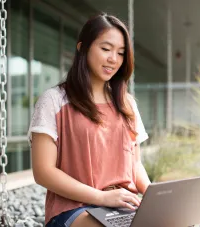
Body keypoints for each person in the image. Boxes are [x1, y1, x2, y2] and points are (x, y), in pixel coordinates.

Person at [27, 13, 151, 227]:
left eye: (121, 53)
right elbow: (43, 172)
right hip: (74, 210)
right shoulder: (54, 101)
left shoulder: (127, 104)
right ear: (82, 48)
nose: (113, 59)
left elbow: (136, 164)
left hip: (123, 207)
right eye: (105, 49)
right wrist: (101, 197)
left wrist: (154, 199)